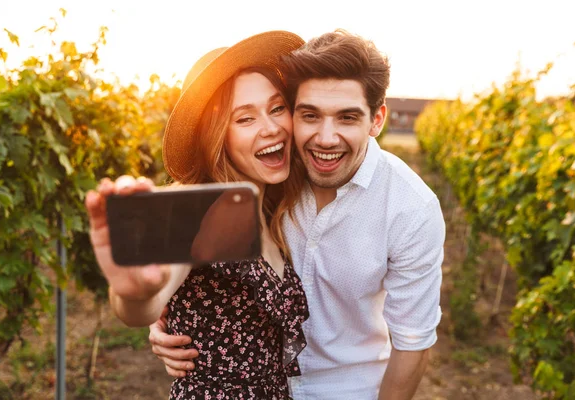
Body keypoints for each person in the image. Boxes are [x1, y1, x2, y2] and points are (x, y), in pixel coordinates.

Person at [149, 29, 446, 400]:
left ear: (377, 119)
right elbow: (174, 268)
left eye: (347, 118)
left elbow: (413, 343)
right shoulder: (274, 174)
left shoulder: (411, 208)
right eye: (309, 115)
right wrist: (163, 315)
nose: (325, 138)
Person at [85, 31, 310, 399]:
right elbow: (147, 300)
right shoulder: (197, 210)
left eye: (276, 108)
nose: (271, 128)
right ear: (217, 136)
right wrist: (137, 296)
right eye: (244, 118)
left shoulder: (272, 211)